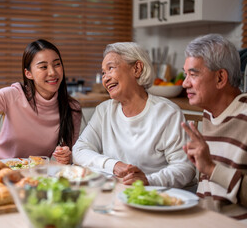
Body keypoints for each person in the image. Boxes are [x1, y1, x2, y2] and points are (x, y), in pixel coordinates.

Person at [72, 42, 196, 188]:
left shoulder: (167, 113)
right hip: (119, 194)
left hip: (156, 198)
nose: (105, 78)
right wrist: (115, 165)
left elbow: (185, 168)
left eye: (110, 68)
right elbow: (79, 150)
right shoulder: (104, 111)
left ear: (137, 68)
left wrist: (148, 180)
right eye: (103, 72)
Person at [181, 34, 247, 223]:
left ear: (220, 78)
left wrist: (210, 168)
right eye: (185, 74)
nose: (185, 83)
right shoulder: (210, 113)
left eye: (193, 74)